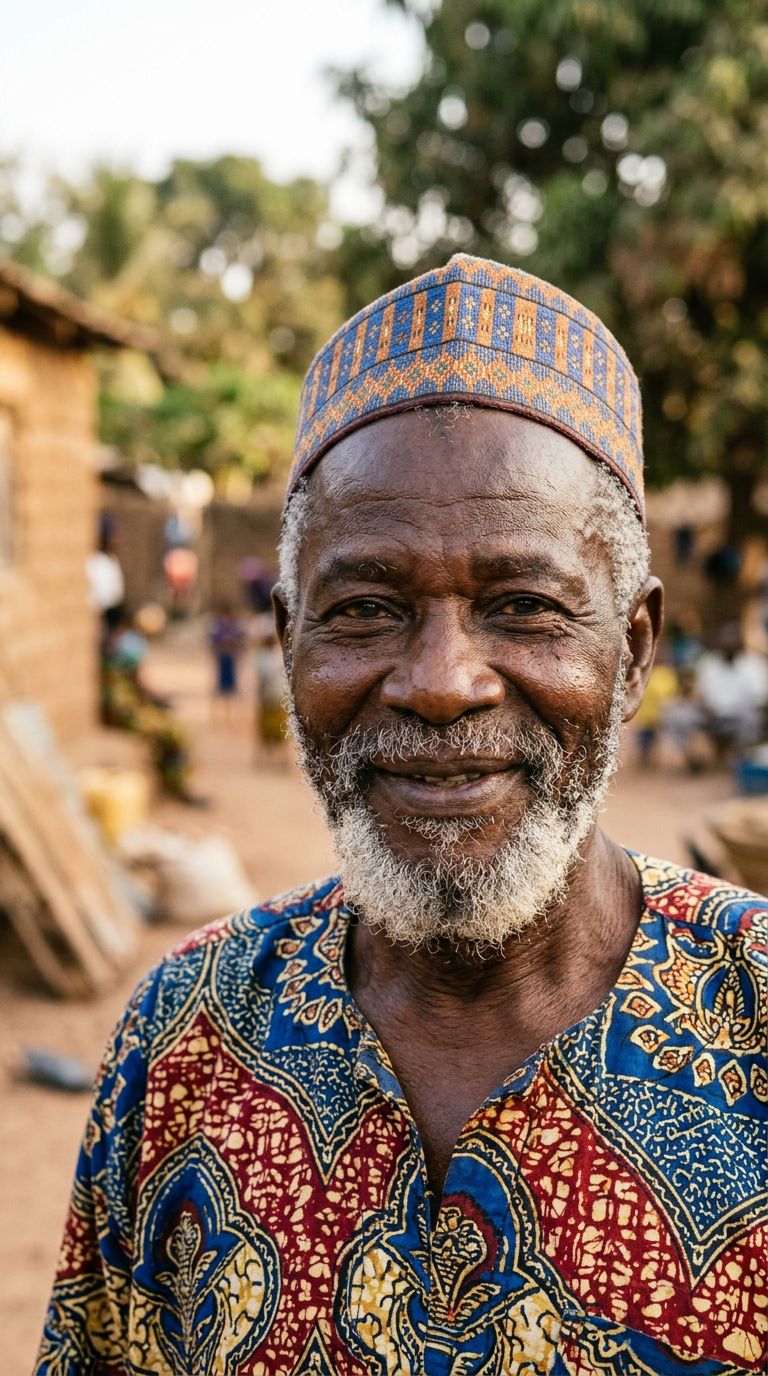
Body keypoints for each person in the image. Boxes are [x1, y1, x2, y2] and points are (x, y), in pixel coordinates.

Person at [36, 256, 767, 1375]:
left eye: (524, 606)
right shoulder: (184, 1037)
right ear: (289, 643)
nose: (440, 683)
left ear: (631, 652)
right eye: (366, 608)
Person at [695, 621, 768, 758]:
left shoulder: (753, 664)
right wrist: (706, 709)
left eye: (731, 638)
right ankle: (697, 757)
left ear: (739, 642)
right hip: (713, 717)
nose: (727, 643)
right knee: (682, 715)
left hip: (742, 717)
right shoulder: (708, 663)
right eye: (724, 639)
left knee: (751, 718)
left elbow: (760, 698)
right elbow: (701, 695)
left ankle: (741, 757)